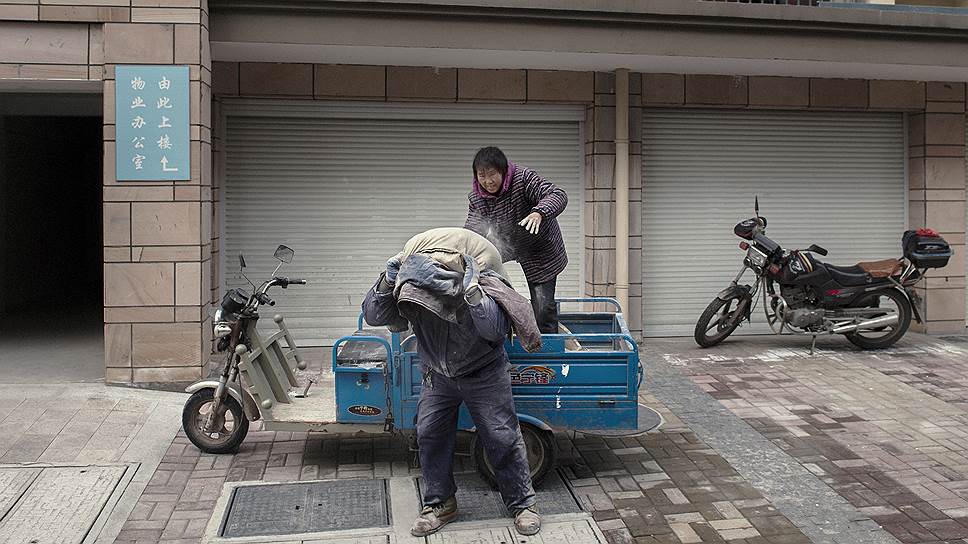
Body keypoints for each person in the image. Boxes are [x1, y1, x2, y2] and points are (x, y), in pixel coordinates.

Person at [362, 240, 541, 537]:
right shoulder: (412, 286)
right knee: (429, 432)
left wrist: (473, 295)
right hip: (438, 375)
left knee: (501, 436)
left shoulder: (481, 285)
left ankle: (523, 505)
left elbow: (495, 331)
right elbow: (374, 316)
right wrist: (387, 278)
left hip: (484, 373)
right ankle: (441, 504)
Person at [464, 146, 568, 334]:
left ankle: (547, 352)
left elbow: (557, 194)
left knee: (543, 308)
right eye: (482, 175)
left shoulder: (523, 179)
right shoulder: (477, 197)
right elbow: (473, 227)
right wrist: (465, 253)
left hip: (540, 246)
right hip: (507, 242)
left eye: (492, 174)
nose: (487, 181)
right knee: (476, 276)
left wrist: (539, 212)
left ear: (503, 171)